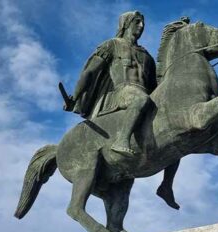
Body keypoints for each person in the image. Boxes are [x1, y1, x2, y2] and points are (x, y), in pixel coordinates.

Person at [64, 11, 182, 210]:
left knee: (176, 130)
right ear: (126, 23)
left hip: (143, 96)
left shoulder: (147, 56)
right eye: (137, 22)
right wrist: (75, 97)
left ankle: (166, 186)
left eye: (143, 22)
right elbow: (90, 72)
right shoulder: (111, 45)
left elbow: (155, 86)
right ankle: (121, 140)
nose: (142, 26)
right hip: (121, 93)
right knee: (140, 98)